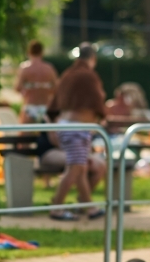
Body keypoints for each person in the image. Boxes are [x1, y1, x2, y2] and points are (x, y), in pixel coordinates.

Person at [46, 42, 107, 221]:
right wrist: (102, 116)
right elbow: (97, 101)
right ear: (93, 58)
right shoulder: (89, 76)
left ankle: (89, 208)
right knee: (75, 167)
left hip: (68, 127)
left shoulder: (67, 75)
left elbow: (54, 105)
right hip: (76, 129)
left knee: (79, 167)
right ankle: (56, 207)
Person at [14, 40, 58, 124]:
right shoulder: (49, 68)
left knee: (26, 135)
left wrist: (30, 88)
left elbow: (17, 88)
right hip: (45, 107)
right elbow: (56, 88)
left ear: (29, 52)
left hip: (30, 105)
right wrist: (45, 89)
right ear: (42, 52)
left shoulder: (25, 68)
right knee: (47, 135)